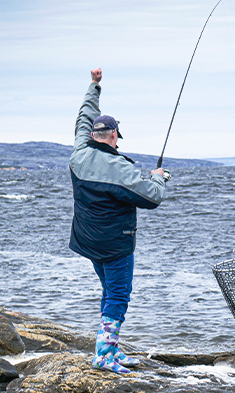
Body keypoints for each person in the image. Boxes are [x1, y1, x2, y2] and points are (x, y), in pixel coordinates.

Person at [69, 68, 167, 374]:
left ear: (91, 135)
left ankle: (109, 346)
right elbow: (151, 197)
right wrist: (158, 178)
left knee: (109, 292)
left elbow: (84, 114)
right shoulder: (118, 168)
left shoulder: (79, 152)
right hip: (115, 246)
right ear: (113, 136)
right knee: (118, 295)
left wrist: (94, 86)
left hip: (88, 241)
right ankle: (104, 355)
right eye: (117, 137)